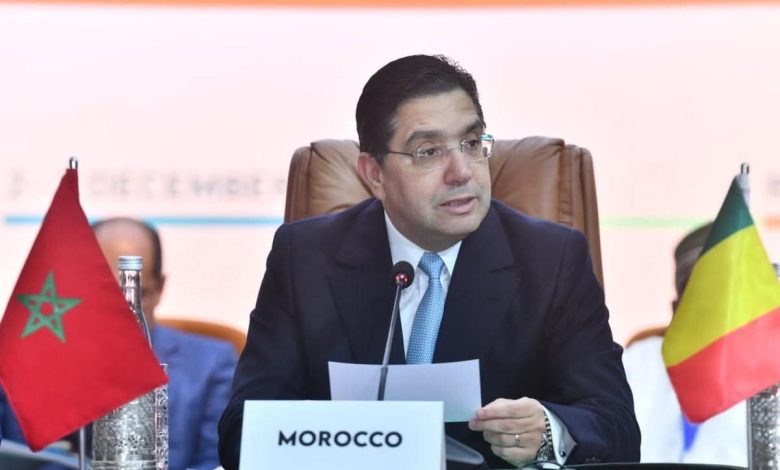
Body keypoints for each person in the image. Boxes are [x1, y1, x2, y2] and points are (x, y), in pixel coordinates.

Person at [218, 54, 640, 469]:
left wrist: (549, 431)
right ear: (375, 174)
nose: (461, 172)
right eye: (428, 151)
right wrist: (341, 436)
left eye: (471, 144)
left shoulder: (551, 259)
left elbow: (616, 426)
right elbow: (243, 430)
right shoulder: (305, 258)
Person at [91, 217, 238, 470]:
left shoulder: (213, 365)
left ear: (159, 288)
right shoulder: (46, 361)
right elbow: (32, 459)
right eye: (107, 292)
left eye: (137, 293)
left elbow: (217, 463)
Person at [623, 223, 748, 465]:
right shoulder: (642, 360)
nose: (715, 314)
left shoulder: (768, 367)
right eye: (699, 300)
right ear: (676, 309)